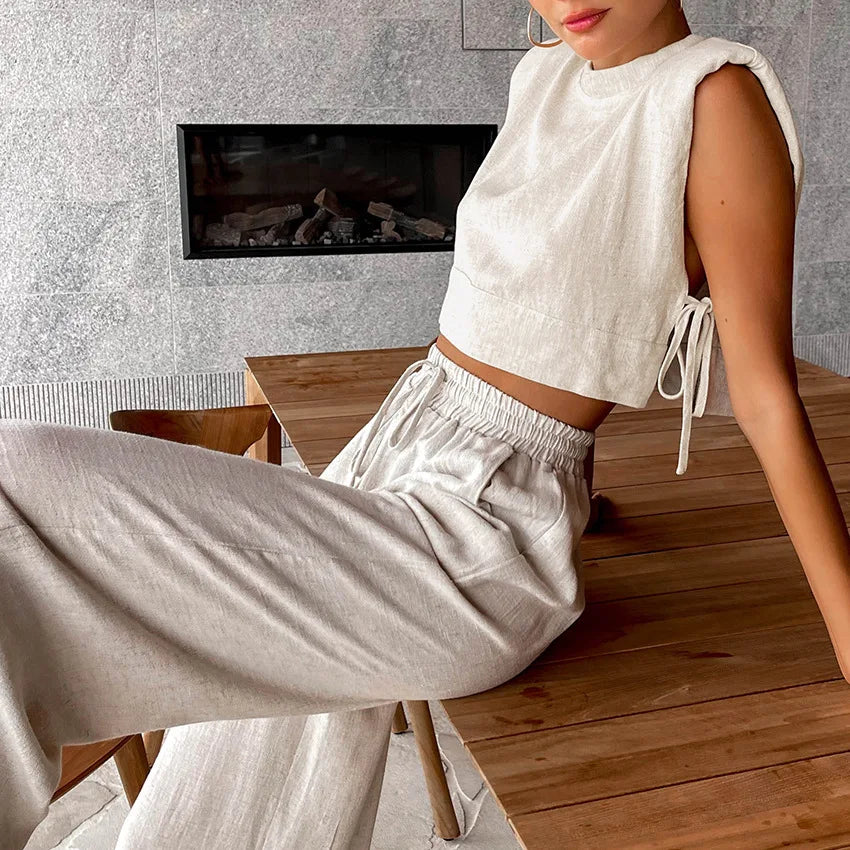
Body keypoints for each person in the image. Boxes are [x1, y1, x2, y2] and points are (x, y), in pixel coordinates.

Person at [2, 2, 849, 849]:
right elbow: (562, 301)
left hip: (473, 540)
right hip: (399, 441)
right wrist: (588, 495)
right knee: (235, 737)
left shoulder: (715, 97)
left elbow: (763, 394)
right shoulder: (543, 74)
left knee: (16, 477)